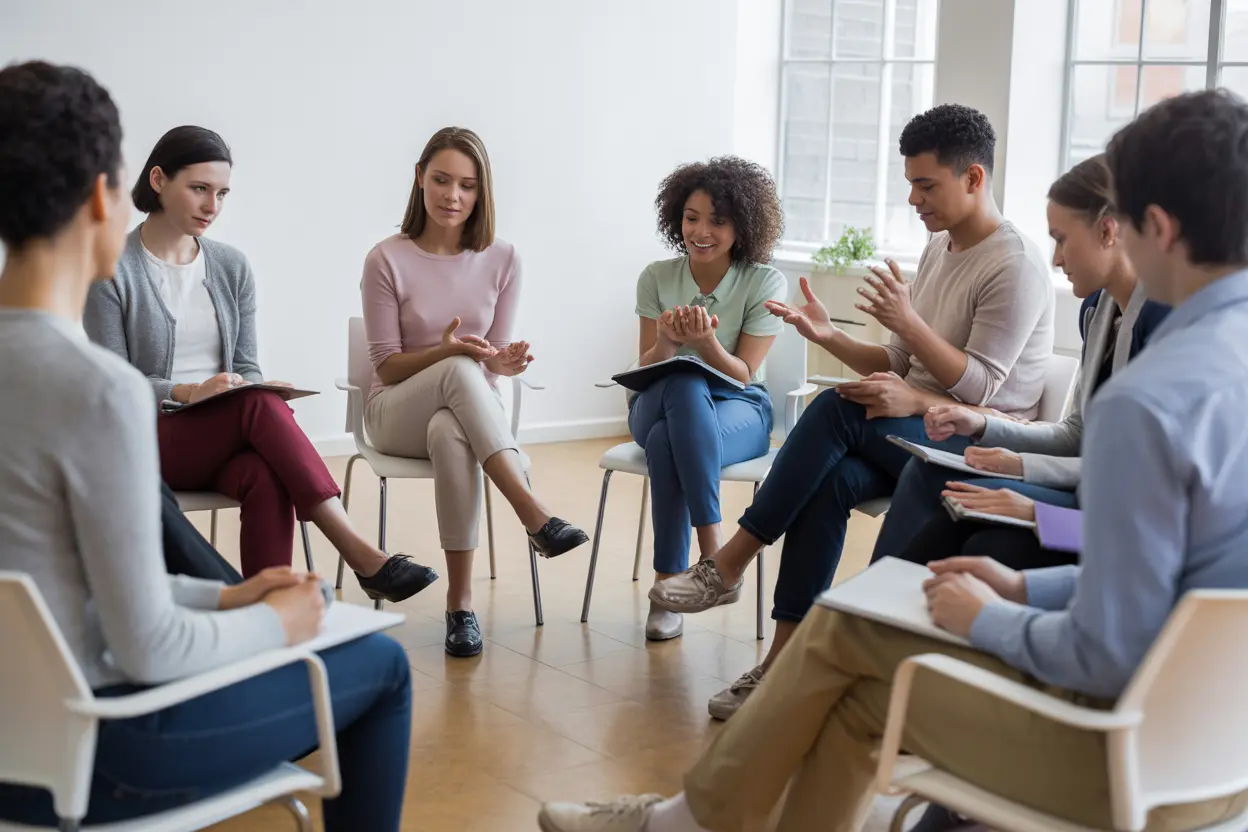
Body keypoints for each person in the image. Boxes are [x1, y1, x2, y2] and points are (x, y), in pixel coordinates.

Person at [534, 87, 1248, 832]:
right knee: (850, 636)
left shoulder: (1150, 400)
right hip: (1220, 756)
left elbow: (1103, 651)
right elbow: (1178, 587)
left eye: (1121, 222)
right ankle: (694, 805)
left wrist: (988, 617)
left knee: (850, 644)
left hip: (1123, 756)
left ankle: (680, 813)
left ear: (1156, 228)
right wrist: (1025, 588)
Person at [0, 60, 411, 831]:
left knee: (260, 463)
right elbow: (149, 648)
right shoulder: (97, 390)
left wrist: (224, 595)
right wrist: (281, 625)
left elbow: (53, 582)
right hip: (88, 757)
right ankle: (350, 551)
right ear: (104, 196)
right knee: (382, 665)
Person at [651, 103, 1054, 720]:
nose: (915, 199)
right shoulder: (940, 248)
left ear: (974, 179)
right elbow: (896, 359)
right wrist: (828, 337)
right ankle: (782, 665)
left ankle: (728, 563)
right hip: (913, 435)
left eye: (927, 185)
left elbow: (978, 387)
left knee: (836, 411)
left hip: (976, 447)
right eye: (910, 184)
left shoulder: (1015, 265)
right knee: (827, 481)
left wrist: (909, 324)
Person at [81, 125, 435, 601]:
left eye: (222, 193)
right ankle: (359, 552)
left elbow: (246, 365)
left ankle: (269, 612)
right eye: (200, 189)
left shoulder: (231, 267)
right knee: (256, 408)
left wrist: (253, 386)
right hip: (147, 441)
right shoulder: (111, 269)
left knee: (266, 470)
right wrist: (189, 392)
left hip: (221, 435)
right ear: (160, 180)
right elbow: (112, 385)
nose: (213, 206)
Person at [871, 154, 1170, 570]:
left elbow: (1139, 474)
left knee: (981, 540)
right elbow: (1078, 433)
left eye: (1062, 240)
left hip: (1121, 514)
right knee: (932, 481)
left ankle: (867, 617)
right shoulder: (1098, 312)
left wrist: (1025, 474)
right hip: (1091, 493)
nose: (1056, 259)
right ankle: (869, 614)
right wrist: (983, 426)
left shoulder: (1164, 325)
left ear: (1107, 230)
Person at [361, 126, 588, 658]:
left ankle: (460, 608)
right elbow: (388, 368)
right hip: (393, 414)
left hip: (463, 417)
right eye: (441, 180)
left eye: (467, 185)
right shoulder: (385, 259)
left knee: (452, 427)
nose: (452, 196)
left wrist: (503, 364)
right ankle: (533, 514)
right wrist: (450, 353)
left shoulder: (504, 258)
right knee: (458, 368)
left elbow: (493, 361)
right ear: (419, 179)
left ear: (481, 193)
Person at [629, 157, 787, 641]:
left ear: (743, 227)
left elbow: (743, 372)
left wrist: (706, 346)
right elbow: (644, 368)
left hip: (738, 407)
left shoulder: (764, 281)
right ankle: (717, 559)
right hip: (657, 396)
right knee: (680, 382)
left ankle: (667, 587)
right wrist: (670, 346)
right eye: (692, 217)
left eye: (718, 220)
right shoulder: (656, 276)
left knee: (665, 442)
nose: (701, 231)